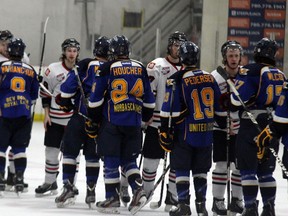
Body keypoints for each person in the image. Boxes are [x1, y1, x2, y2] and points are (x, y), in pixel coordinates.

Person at [86, 35, 155, 214]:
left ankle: (112, 198)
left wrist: (93, 119)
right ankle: (139, 191)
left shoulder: (106, 68)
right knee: (129, 160)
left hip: (112, 121)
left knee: (111, 160)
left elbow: (95, 101)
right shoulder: (140, 67)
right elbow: (149, 100)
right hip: (134, 121)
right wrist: (144, 117)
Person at [159, 41, 223, 216]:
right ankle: (201, 206)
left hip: (185, 133)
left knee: (182, 169)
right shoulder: (209, 77)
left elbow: (169, 108)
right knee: (201, 170)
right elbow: (219, 108)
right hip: (206, 134)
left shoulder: (177, 79)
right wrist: (223, 124)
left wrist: (164, 130)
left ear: (182, 57)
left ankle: (183, 205)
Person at [230, 37, 286, 216]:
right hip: (272, 126)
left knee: (248, 170)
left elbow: (236, 99)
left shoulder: (250, 70)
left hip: (250, 125)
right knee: (266, 172)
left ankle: (250, 207)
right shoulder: (280, 73)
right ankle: (269, 207)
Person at [54, 36, 110, 208]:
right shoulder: (113, 69)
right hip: (100, 121)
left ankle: (68, 187)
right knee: (93, 156)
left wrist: (65, 101)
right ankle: (91, 192)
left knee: (70, 152)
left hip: (80, 117)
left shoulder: (84, 65)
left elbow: (65, 90)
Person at [141, 31, 187, 211]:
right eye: (176, 45)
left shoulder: (187, 68)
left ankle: (172, 196)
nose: (179, 49)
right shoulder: (156, 65)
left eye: (181, 46)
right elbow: (148, 92)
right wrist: (147, 114)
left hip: (178, 123)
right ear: (169, 46)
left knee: (177, 162)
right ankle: (145, 192)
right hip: (157, 122)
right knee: (151, 160)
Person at [34, 38, 80, 196]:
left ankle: (70, 184)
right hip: (55, 118)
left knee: (73, 153)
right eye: (69, 50)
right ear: (64, 51)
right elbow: (45, 94)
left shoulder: (82, 70)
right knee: (51, 152)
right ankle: (49, 182)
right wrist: (46, 115)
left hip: (73, 120)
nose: (72, 54)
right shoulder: (53, 69)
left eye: (74, 50)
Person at [0, 38, 39, 194]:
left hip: (5, 113)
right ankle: (19, 179)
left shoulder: (2, 67)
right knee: (20, 149)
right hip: (24, 114)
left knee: (1, 148)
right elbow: (34, 95)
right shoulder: (30, 70)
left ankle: (1, 177)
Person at [210, 40, 244, 215]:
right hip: (220, 129)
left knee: (238, 167)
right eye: (230, 55)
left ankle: (237, 200)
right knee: (222, 166)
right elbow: (210, 105)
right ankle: (218, 201)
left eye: (236, 55)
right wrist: (223, 122)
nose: (233, 59)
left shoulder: (245, 75)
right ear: (225, 57)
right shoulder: (215, 76)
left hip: (239, 130)